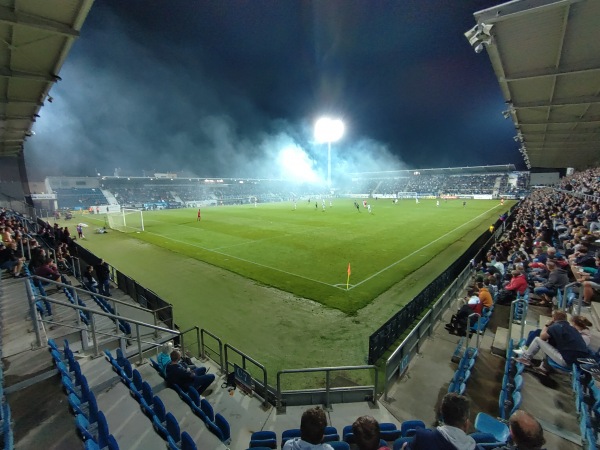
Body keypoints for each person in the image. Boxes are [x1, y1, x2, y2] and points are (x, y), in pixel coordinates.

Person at [514, 310, 590, 375]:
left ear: (553, 318)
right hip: (578, 363)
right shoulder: (571, 328)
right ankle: (543, 368)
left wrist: (546, 325)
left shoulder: (556, 327)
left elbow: (542, 337)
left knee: (538, 340)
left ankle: (526, 358)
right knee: (549, 343)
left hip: (567, 362)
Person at [402, 393, 475, 449]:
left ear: (442, 416)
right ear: (466, 424)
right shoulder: (475, 447)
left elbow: (405, 447)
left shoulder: (422, 438)